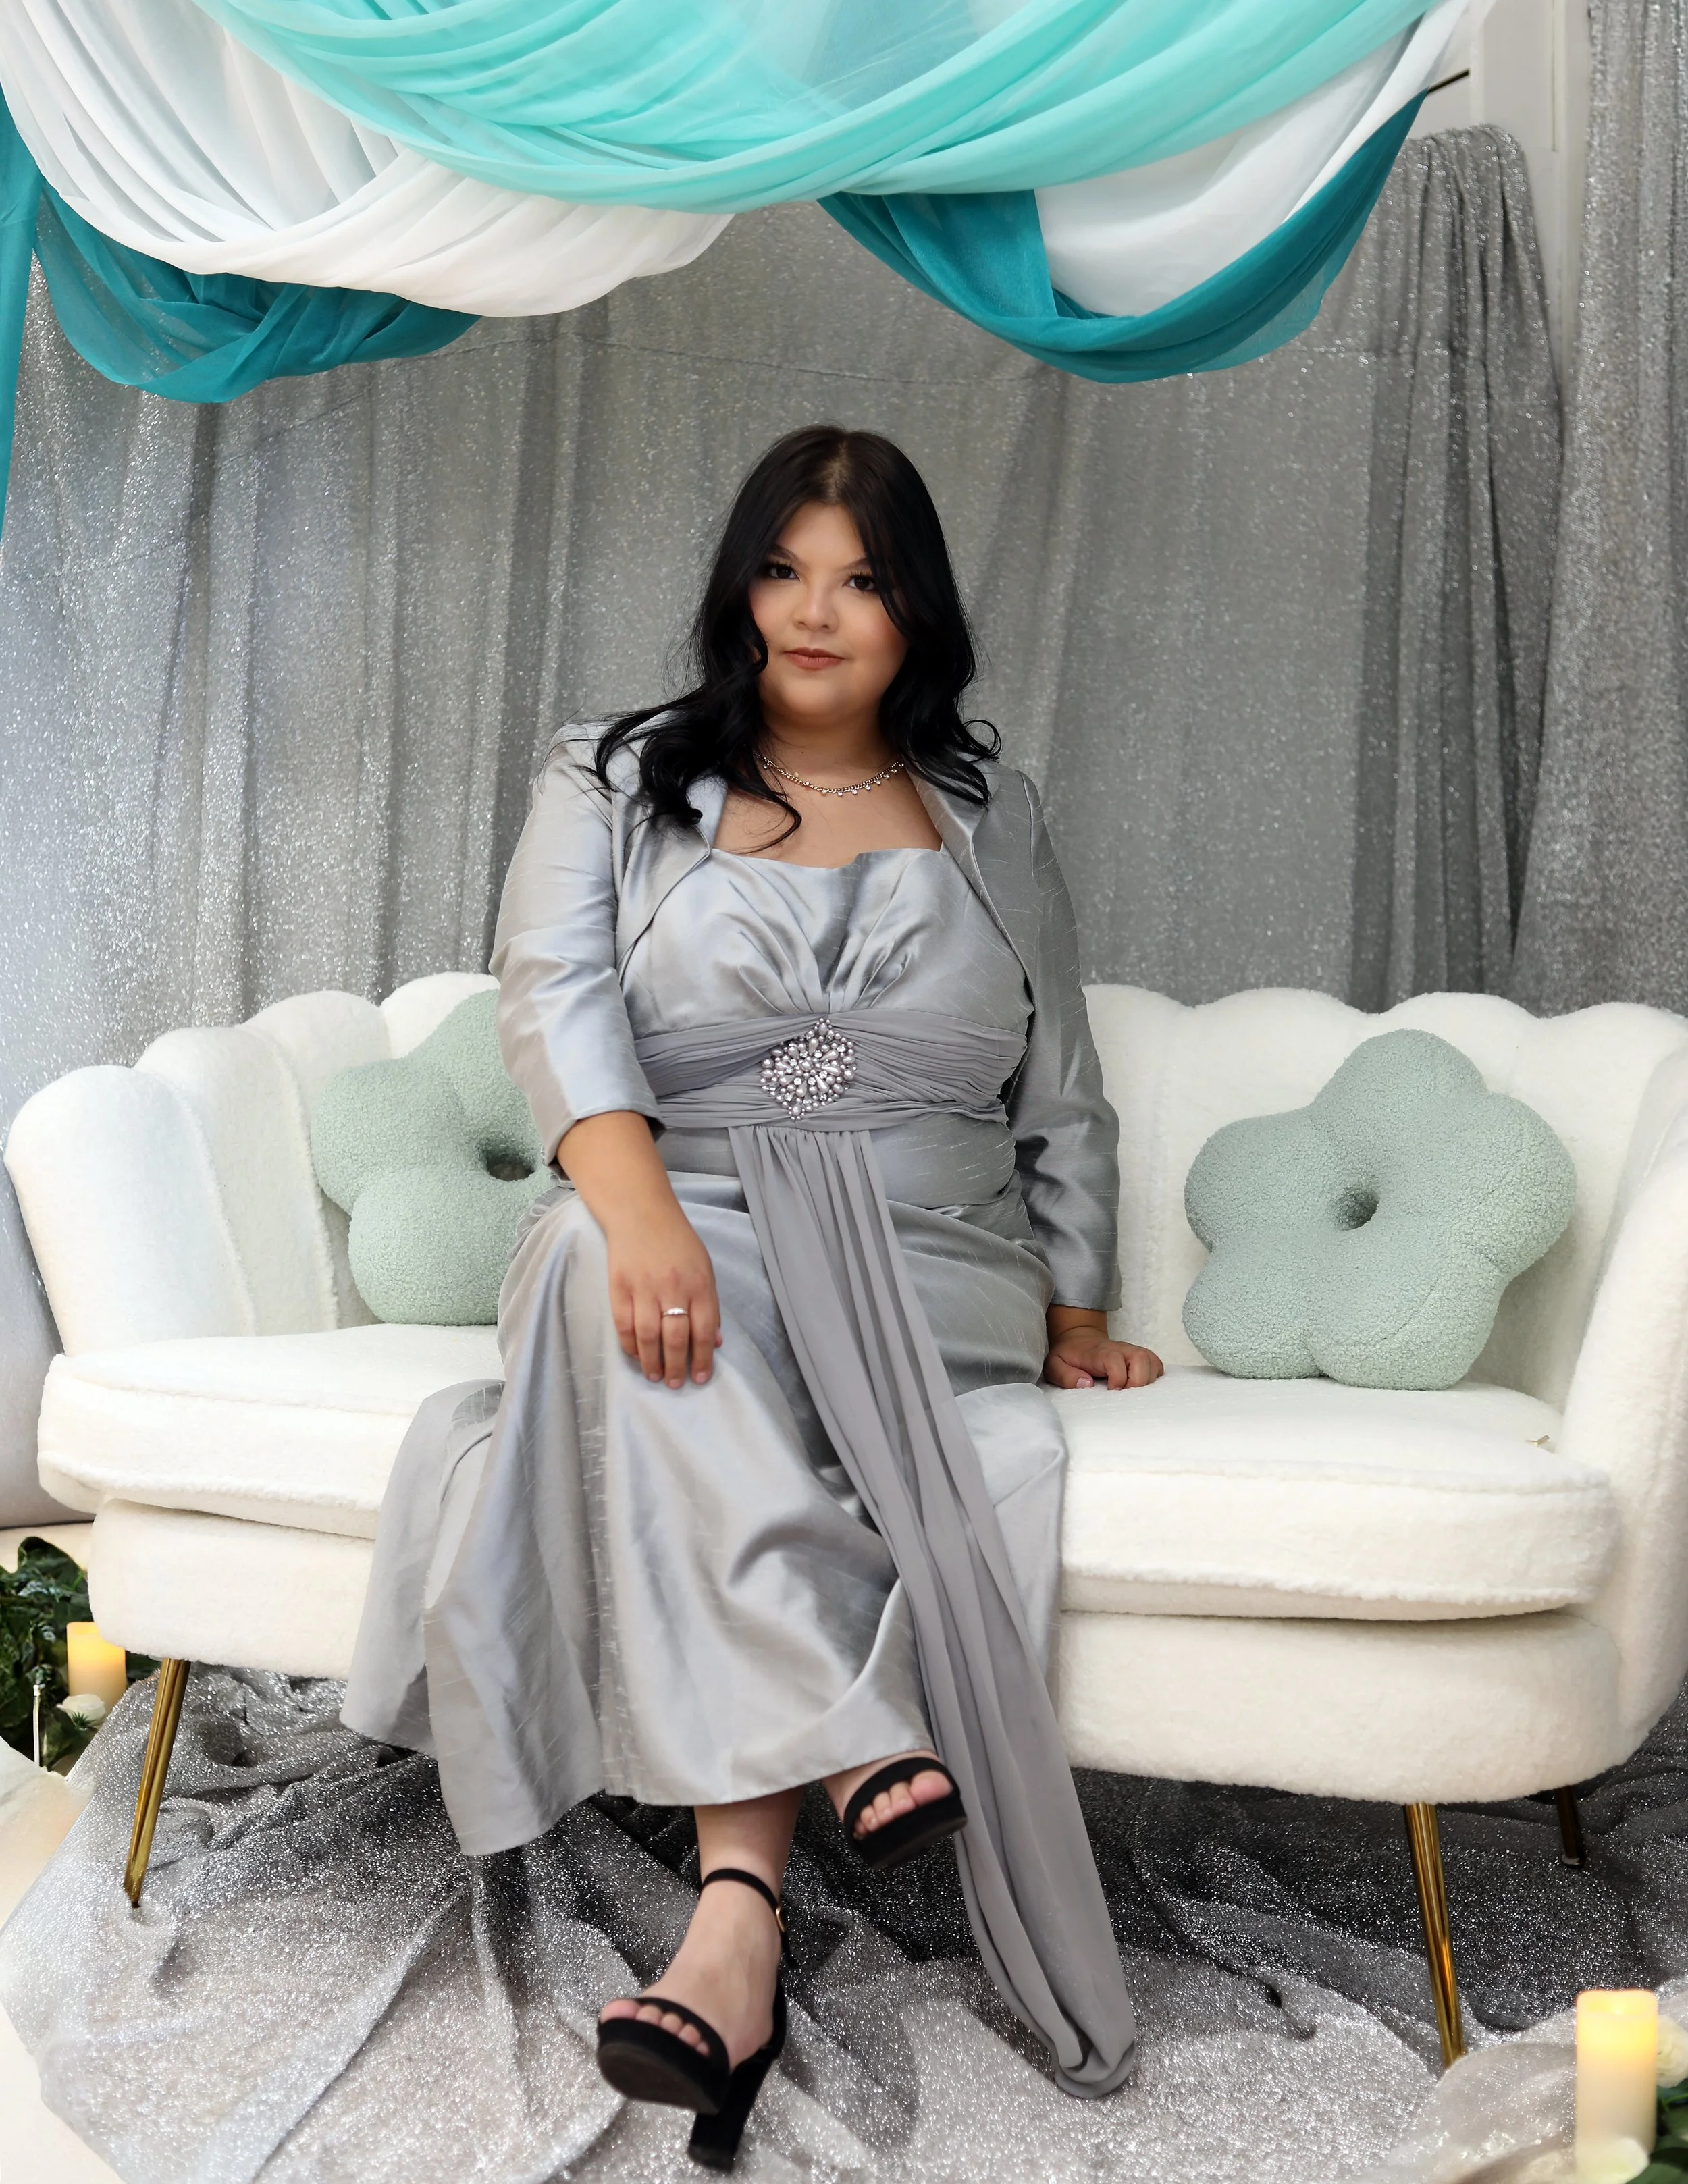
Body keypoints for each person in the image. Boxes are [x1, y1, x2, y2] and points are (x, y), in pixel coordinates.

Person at [343, 423, 1163, 2168]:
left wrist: (1079, 1301)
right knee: (596, 1269)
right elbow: (552, 997)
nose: (814, 608)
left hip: (927, 1261)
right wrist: (636, 1211)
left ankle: (743, 1903)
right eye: (784, 567)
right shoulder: (614, 777)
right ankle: (763, 1883)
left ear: (915, 611)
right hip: (680, 1210)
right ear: (735, 584)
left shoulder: (991, 813)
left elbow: (1060, 1077)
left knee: (641, 1334)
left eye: (860, 578)